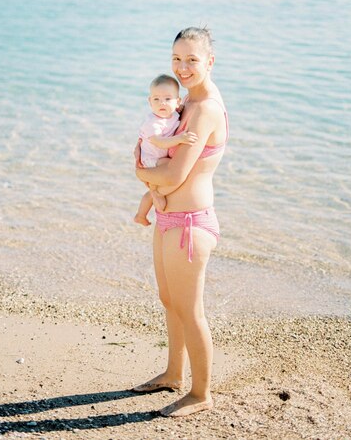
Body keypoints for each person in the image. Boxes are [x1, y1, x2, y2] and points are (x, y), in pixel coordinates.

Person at [133, 27, 228, 417]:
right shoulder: (183, 101)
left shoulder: (204, 109)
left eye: (191, 59)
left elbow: (171, 177)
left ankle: (201, 393)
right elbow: (161, 155)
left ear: (210, 61)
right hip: (167, 217)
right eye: (176, 58)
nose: (183, 67)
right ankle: (173, 373)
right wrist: (147, 169)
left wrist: (139, 171)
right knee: (169, 300)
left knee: (191, 311)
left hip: (190, 223)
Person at [134, 74, 198, 226]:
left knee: (153, 188)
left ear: (178, 102)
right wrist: (180, 139)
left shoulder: (173, 113)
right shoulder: (153, 123)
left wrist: (182, 108)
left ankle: (141, 214)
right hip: (150, 159)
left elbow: (179, 112)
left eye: (168, 99)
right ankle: (155, 194)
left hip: (156, 157)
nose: (162, 103)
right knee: (166, 168)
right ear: (150, 102)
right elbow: (159, 142)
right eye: (156, 99)